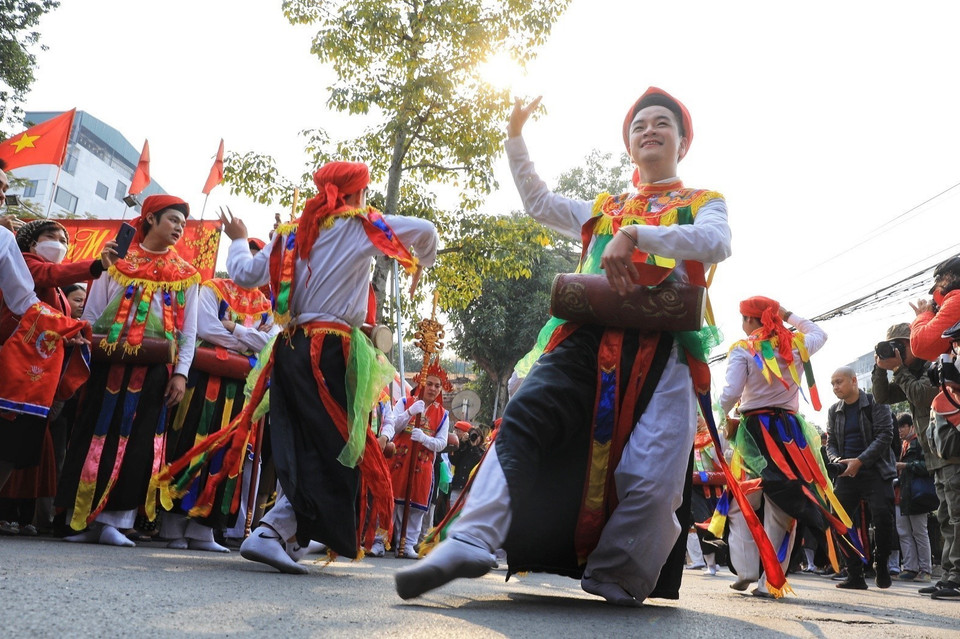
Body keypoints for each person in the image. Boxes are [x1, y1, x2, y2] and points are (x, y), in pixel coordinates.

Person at [396, 87, 731, 606]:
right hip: (585, 336)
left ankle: (618, 572)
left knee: (651, 473)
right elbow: (539, 203)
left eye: (662, 123)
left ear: (682, 143)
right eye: (639, 124)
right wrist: (513, 139)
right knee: (526, 415)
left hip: (665, 348)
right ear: (628, 145)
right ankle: (471, 537)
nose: (649, 130)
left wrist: (638, 235)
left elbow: (717, 244)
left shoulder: (702, 202)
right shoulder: (605, 207)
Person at [220, 161, 438, 574]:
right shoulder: (358, 225)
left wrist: (235, 239)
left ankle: (289, 537)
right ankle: (271, 533)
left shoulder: (290, 233)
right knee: (331, 447)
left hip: (290, 346)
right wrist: (422, 262)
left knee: (304, 442)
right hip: (328, 351)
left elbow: (244, 274)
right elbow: (425, 231)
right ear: (358, 193)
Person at [56, 194, 200, 547]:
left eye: (182, 223)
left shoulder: (186, 275)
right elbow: (92, 313)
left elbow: (188, 329)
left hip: (153, 371)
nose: (179, 228)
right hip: (109, 364)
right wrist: (88, 353)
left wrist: (180, 372)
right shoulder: (116, 262)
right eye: (172, 220)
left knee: (138, 441)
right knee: (93, 433)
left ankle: (116, 522)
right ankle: (82, 519)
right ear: (149, 219)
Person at [718, 297, 841, 597]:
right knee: (783, 504)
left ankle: (747, 569)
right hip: (791, 433)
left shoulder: (744, 349)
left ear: (749, 321)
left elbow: (729, 395)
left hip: (756, 432)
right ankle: (771, 580)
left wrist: (719, 415)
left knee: (741, 499)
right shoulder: (796, 344)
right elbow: (819, 333)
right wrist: (788, 314)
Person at [158, 262, 278, 553]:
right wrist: (248, 344)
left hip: (242, 387)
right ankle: (172, 527)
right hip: (204, 381)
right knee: (190, 440)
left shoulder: (266, 306)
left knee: (228, 452)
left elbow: (272, 341)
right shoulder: (213, 288)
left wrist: (234, 328)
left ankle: (204, 530)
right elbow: (205, 327)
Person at [911, 259, 960, 600]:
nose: (935, 289)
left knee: (955, 508)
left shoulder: (956, 298)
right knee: (947, 509)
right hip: (945, 427)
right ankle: (952, 574)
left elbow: (921, 345)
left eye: (940, 279)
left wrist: (922, 315)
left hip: (954, 425)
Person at [825, 367, 896, 589]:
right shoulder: (833, 410)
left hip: (875, 471)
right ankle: (854, 573)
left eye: (839, 382)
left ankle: (881, 563)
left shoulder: (877, 402)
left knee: (884, 519)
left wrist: (860, 461)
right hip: (846, 474)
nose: (836, 387)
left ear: (854, 380)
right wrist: (837, 461)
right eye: (833, 383)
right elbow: (831, 443)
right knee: (836, 520)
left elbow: (886, 434)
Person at [380, 364, 451, 558]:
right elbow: (393, 427)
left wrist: (425, 439)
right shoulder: (405, 401)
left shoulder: (443, 414)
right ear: (421, 383)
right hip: (398, 462)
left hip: (423, 466)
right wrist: (410, 412)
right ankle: (381, 540)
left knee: (416, 508)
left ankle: (408, 544)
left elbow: (442, 443)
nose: (433, 389)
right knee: (390, 502)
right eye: (429, 384)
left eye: (437, 386)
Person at [894, 413, 935, 582]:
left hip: (917, 494)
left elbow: (929, 466)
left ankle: (925, 569)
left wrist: (906, 465)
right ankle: (910, 567)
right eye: (898, 427)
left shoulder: (920, 442)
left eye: (902, 427)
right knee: (904, 532)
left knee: (919, 532)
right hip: (903, 493)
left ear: (911, 426)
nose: (900, 431)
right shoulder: (902, 445)